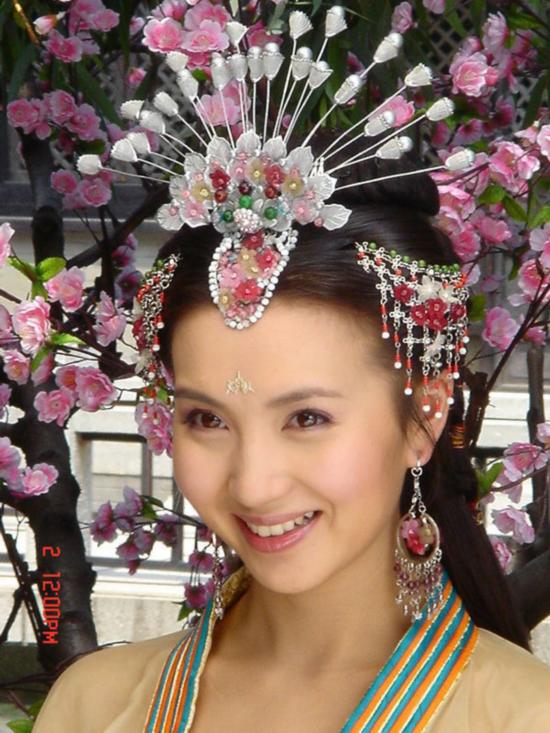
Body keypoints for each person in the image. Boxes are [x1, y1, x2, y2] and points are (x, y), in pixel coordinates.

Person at [33, 7, 550, 732]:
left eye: (307, 417)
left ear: (425, 414)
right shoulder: (94, 705)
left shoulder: (522, 715)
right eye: (206, 418)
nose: (253, 483)